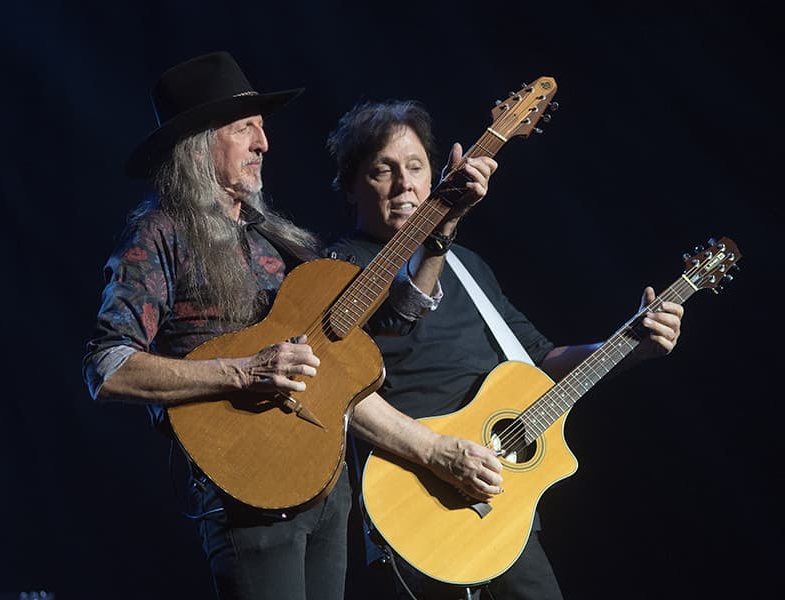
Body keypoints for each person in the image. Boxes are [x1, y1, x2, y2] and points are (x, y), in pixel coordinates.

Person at [82, 53, 496, 600]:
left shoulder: (276, 239)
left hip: (325, 487)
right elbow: (107, 367)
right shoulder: (160, 232)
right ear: (200, 144)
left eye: (262, 128)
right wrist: (244, 372)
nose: (264, 144)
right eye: (245, 129)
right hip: (244, 487)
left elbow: (378, 329)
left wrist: (439, 232)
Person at [325, 100, 685, 599]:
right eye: (382, 171)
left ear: (435, 177)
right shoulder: (339, 271)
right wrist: (438, 454)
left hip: (497, 502)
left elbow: (538, 361)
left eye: (415, 168)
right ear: (349, 186)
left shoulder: (469, 265)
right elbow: (338, 382)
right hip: (419, 500)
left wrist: (631, 345)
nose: (405, 185)